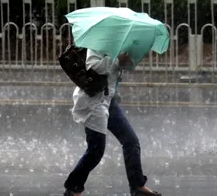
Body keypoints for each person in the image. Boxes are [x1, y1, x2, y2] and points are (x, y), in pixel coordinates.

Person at [63, 49, 162, 196]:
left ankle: (137, 186)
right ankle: (73, 187)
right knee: (95, 151)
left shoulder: (119, 43)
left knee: (131, 141)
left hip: (109, 101)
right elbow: (93, 66)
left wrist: (127, 61)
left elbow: (123, 68)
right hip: (94, 101)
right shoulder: (97, 42)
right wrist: (116, 61)